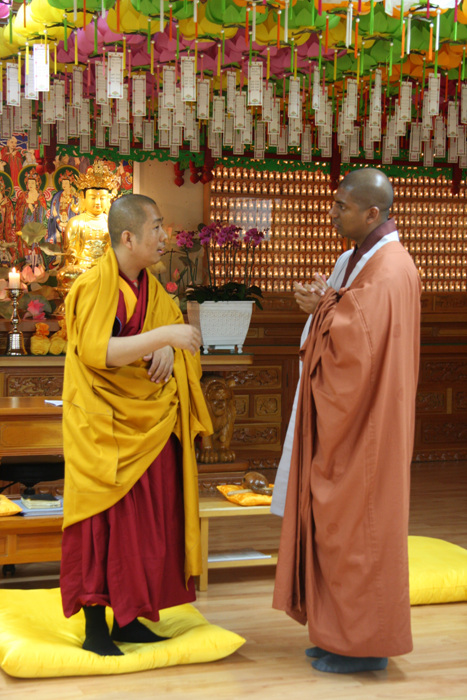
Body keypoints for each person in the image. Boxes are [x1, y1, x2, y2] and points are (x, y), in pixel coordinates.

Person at [272, 168, 421, 674]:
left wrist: (323, 308)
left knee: (360, 530)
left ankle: (366, 646)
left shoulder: (390, 268)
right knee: (336, 527)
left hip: (368, 425)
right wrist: (324, 305)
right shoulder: (363, 258)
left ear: (372, 212)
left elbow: (358, 344)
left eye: (342, 206)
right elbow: (348, 319)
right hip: (353, 417)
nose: (332, 212)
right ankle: (337, 634)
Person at [59, 193, 213, 656]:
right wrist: (162, 337)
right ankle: (95, 627)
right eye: (157, 228)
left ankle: (129, 618)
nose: (165, 236)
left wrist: (164, 345)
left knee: (142, 524)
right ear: (128, 237)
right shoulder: (92, 286)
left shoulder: (154, 291)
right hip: (103, 425)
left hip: (149, 423)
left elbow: (167, 342)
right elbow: (99, 352)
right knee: (100, 524)